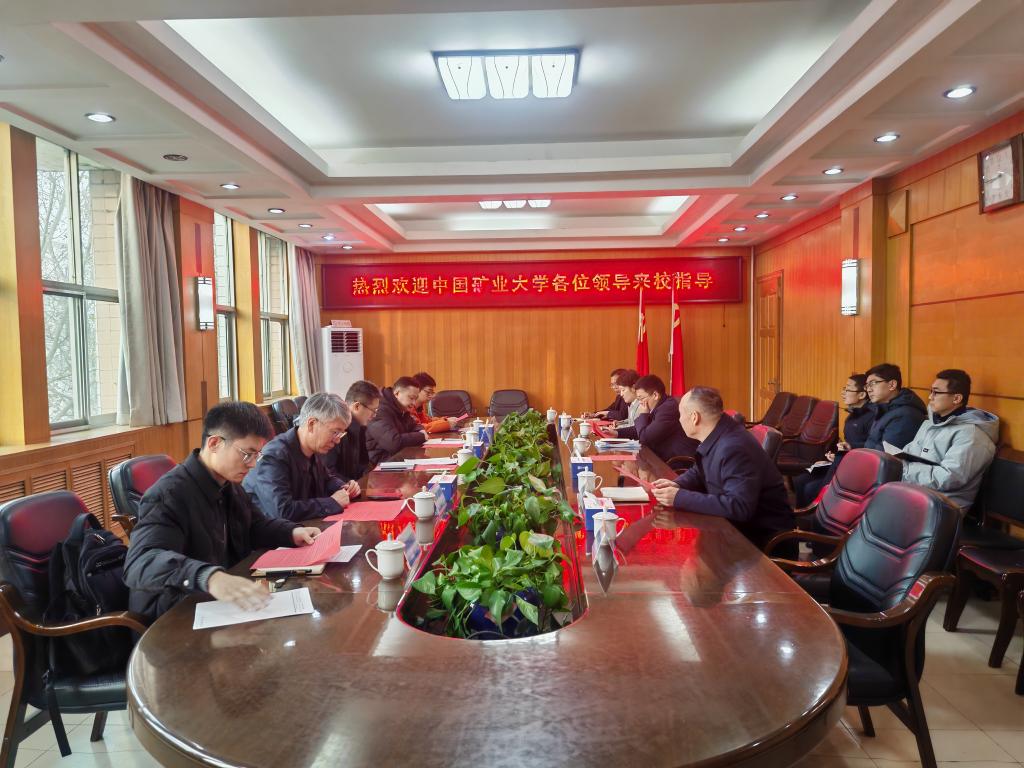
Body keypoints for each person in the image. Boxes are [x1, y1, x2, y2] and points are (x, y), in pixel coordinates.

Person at [123, 402, 321, 621]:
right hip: (173, 616)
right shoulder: (169, 495)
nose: (253, 464)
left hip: (217, 605)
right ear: (215, 443)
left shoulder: (228, 484)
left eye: (257, 455)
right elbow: (140, 561)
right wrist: (209, 577)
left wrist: (291, 532)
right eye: (247, 454)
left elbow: (254, 525)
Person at [651, 387, 794, 551]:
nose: (679, 420)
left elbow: (739, 507)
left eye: (681, 414)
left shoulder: (733, 447)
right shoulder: (719, 432)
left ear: (694, 417)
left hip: (760, 541)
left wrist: (679, 497)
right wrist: (677, 484)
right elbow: (700, 470)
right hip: (733, 530)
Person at [242, 393, 358, 522]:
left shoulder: (313, 448)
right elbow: (283, 511)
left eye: (341, 434)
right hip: (269, 532)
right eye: (335, 432)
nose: (337, 440)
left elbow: (326, 480)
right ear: (312, 424)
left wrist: (344, 487)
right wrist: (331, 502)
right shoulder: (274, 457)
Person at [899, 369, 999, 511]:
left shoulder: (972, 435)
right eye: (930, 391)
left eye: (936, 392)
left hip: (943, 506)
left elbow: (949, 478)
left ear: (956, 398)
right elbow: (908, 453)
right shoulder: (930, 423)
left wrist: (903, 469)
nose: (930, 397)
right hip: (913, 492)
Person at [793, 373, 873, 507]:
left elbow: (871, 446)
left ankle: (816, 516)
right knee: (800, 480)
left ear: (861, 395)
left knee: (811, 488)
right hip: (841, 461)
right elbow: (847, 444)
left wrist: (849, 448)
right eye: (844, 388)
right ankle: (800, 517)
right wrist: (835, 455)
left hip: (855, 467)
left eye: (848, 389)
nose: (843, 393)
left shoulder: (871, 417)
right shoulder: (852, 415)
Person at [624, 374, 698, 464]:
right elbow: (641, 429)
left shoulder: (668, 408)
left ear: (655, 395)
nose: (640, 403)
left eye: (641, 398)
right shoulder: (661, 405)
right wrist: (617, 433)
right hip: (661, 457)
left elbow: (645, 438)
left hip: (677, 461)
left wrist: (643, 414)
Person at [862, 362, 927, 451]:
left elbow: (886, 453)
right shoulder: (885, 408)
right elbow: (873, 443)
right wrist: (853, 447)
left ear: (892, 385)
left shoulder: (905, 415)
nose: (868, 389)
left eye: (873, 383)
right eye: (867, 385)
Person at [326, 380, 381, 482]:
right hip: (341, 488)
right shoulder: (335, 428)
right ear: (357, 406)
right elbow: (328, 472)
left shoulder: (360, 427)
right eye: (373, 410)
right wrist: (353, 484)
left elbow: (362, 465)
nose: (374, 415)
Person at [366, 376, 428, 465]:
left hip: (397, 458)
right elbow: (393, 443)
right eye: (411, 398)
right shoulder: (379, 409)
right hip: (380, 464)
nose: (414, 403)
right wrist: (421, 436)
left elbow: (414, 425)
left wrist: (421, 430)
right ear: (397, 393)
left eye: (415, 399)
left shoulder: (401, 408)